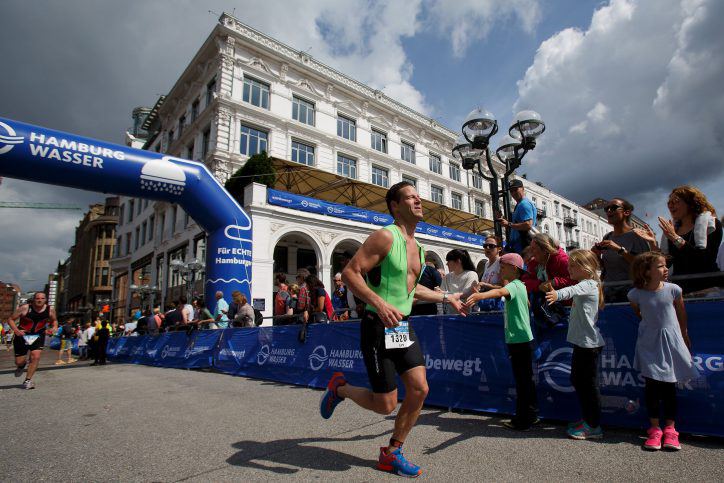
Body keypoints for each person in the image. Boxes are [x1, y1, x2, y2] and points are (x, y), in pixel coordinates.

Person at [320, 181, 465, 477]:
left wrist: (445, 296)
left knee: (419, 388)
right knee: (385, 404)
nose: (418, 201)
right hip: (377, 326)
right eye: (410, 198)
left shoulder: (419, 246)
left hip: (402, 327)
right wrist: (379, 302)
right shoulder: (385, 236)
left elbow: (411, 290)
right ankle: (341, 388)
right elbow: (350, 273)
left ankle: (392, 451)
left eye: (418, 197)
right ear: (395, 206)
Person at [627, 252, 698, 451]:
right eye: (660, 266)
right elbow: (640, 313)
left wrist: (684, 336)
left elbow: (681, 314)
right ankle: (655, 428)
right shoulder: (635, 294)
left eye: (665, 266)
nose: (666, 269)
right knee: (652, 386)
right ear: (646, 271)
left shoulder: (674, 290)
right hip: (649, 344)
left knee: (669, 387)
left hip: (670, 343)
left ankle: (670, 429)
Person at [464, 253, 538, 431]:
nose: (500, 270)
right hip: (523, 339)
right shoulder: (521, 286)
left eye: (503, 267)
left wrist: (480, 297)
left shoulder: (514, 285)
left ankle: (522, 420)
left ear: (514, 269)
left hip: (519, 341)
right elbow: (526, 303)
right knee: (526, 380)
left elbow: (499, 292)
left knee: (522, 381)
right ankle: (531, 415)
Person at [545, 250, 606, 440]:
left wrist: (557, 294)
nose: (568, 268)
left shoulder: (588, 284)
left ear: (586, 268)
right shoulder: (586, 284)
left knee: (588, 385)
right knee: (579, 381)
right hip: (583, 343)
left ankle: (593, 426)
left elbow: (571, 291)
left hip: (589, 345)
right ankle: (588, 419)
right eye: (569, 265)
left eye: (573, 265)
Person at [653, 186, 723, 293]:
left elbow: (704, 260)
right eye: (669, 203)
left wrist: (675, 238)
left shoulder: (711, 224)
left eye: (675, 201)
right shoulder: (672, 230)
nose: (671, 206)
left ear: (691, 203)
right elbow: (668, 263)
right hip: (681, 292)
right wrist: (652, 242)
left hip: (708, 290)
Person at [593, 198, 655, 302]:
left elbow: (645, 264)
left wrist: (620, 250)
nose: (608, 211)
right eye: (606, 208)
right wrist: (597, 256)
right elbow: (606, 267)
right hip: (609, 293)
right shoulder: (608, 236)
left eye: (613, 208)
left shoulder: (637, 235)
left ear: (626, 212)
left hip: (632, 294)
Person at [7, 292, 58, 389]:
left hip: (38, 335)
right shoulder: (25, 308)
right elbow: (10, 319)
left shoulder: (50, 309)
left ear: (45, 300)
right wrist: (16, 330)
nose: (39, 300)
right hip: (23, 336)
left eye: (42, 298)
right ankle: (21, 366)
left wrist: (54, 327)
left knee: (35, 356)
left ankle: (27, 381)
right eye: (37, 298)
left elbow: (54, 320)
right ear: (34, 299)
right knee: (19, 361)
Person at [497, 179, 536, 254]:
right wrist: (504, 220)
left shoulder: (524, 204)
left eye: (515, 189)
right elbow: (513, 225)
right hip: (517, 244)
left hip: (522, 245)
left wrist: (508, 224)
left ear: (523, 188)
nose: (513, 193)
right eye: (511, 191)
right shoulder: (519, 205)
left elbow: (528, 224)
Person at [439, 249, 478, 315]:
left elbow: (466, 293)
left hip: (466, 314)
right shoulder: (447, 277)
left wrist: (445, 294)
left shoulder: (471, 274)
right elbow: (440, 293)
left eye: (449, 261)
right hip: (449, 315)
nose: (446, 263)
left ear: (458, 261)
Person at [476, 235, 504, 312]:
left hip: (497, 305)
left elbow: (504, 287)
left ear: (499, 249)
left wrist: (484, 285)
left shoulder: (501, 262)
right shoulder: (486, 264)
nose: (487, 248)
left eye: (491, 246)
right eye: (485, 246)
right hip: (485, 303)